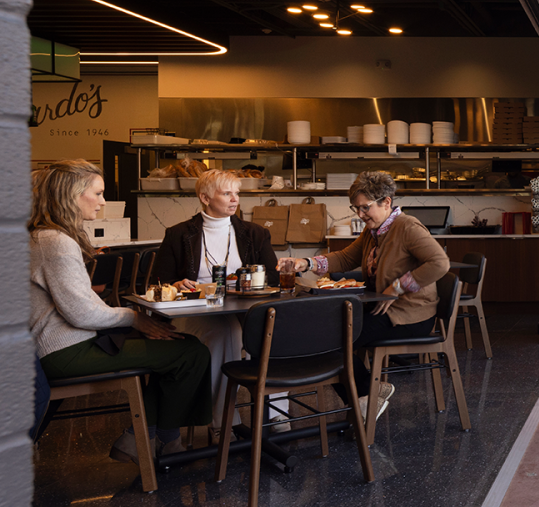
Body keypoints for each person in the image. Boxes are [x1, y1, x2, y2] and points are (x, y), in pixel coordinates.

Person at [28, 160, 212, 462]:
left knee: (178, 347)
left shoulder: (44, 236)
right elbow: (82, 314)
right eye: (98, 194)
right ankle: (159, 439)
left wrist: (133, 321)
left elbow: (83, 304)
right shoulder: (56, 242)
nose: (103, 202)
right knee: (190, 353)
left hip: (63, 346)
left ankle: (151, 438)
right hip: (65, 352)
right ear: (72, 194)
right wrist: (133, 318)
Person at [277, 171, 450, 420]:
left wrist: (398, 286)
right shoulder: (374, 230)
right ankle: (368, 396)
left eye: (365, 207)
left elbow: (439, 263)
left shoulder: (407, 226)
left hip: (409, 316)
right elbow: (346, 257)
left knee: (329, 342)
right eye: (356, 208)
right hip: (382, 310)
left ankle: (365, 401)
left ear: (386, 202)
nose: (360, 214)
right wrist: (305, 262)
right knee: (322, 338)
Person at [154, 169, 284, 433]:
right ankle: (226, 422)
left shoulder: (255, 233)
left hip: (244, 307)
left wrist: (248, 281)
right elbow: (160, 283)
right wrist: (178, 285)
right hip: (196, 311)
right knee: (227, 331)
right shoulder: (178, 234)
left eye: (237, 193)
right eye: (227, 193)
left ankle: (278, 414)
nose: (235, 199)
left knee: (272, 326)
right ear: (205, 197)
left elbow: (273, 277)